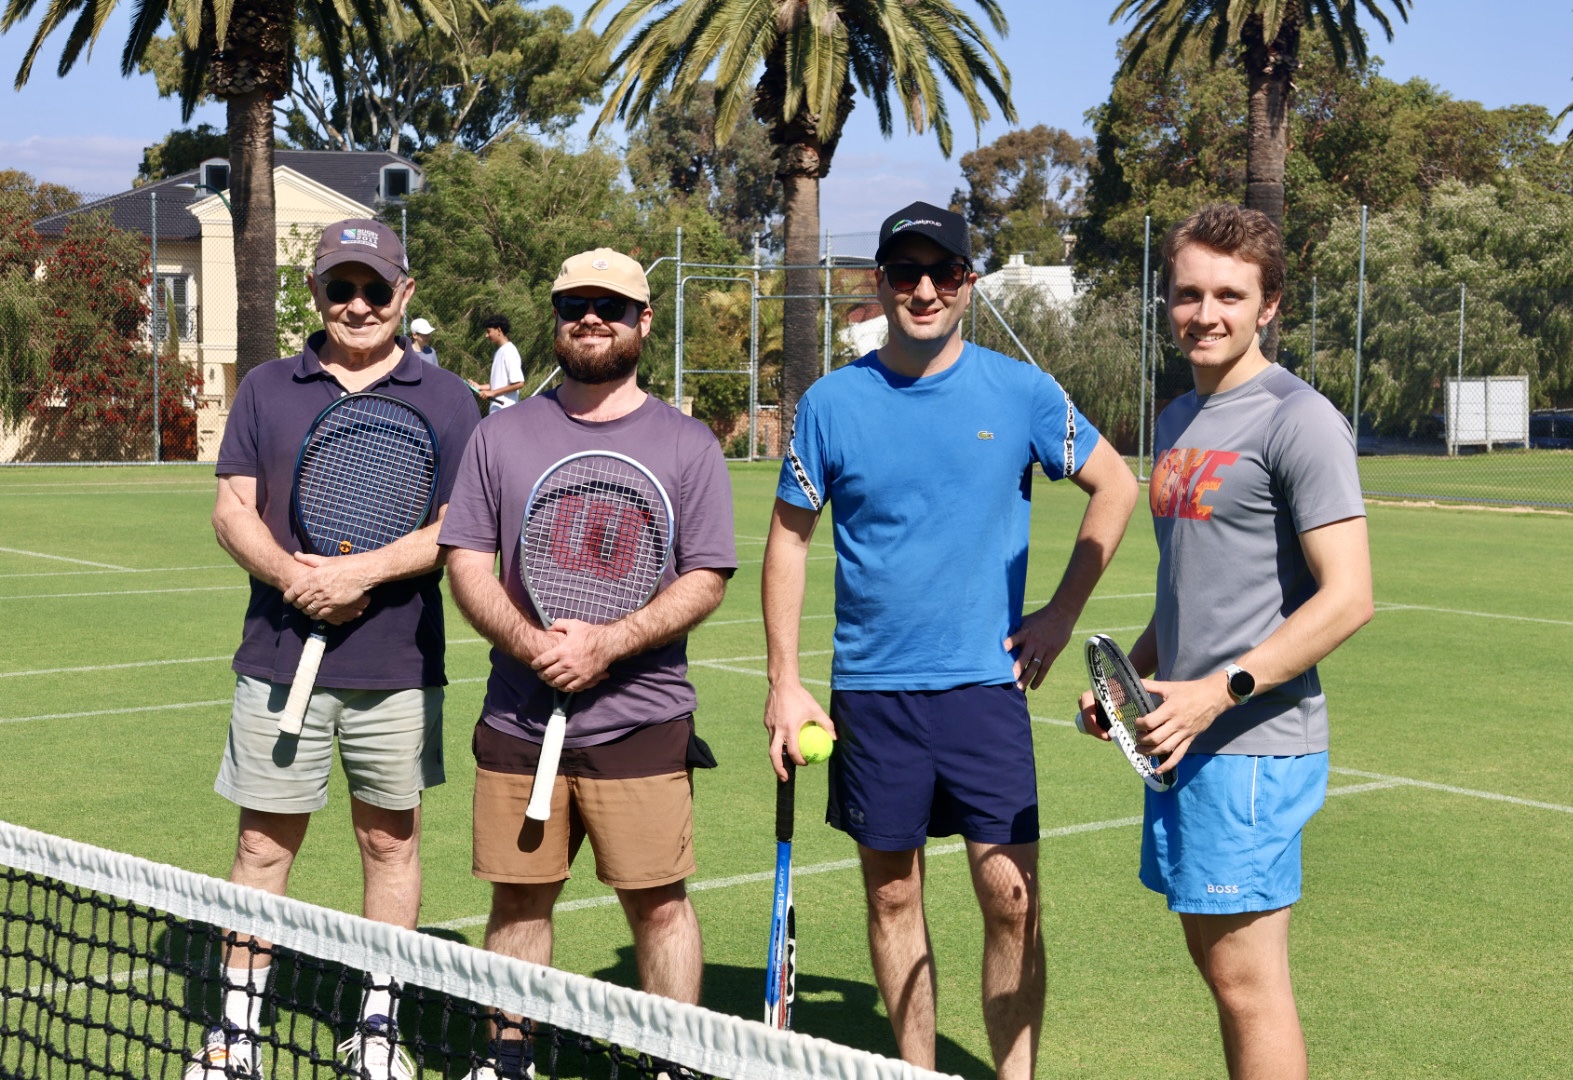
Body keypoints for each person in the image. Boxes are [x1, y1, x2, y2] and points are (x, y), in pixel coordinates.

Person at [761, 201, 1138, 1079]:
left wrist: (1059, 615)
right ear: (880, 283)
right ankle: (917, 1071)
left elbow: (1115, 487)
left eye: (943, 273)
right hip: (874, 692)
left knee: (1012, 900)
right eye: (904, 273)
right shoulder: (830, 404)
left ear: (969, 283)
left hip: (984, 694)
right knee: (893, 895)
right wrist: (785, 682)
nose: (923, 289)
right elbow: (788, 539)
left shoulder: (1021, 393)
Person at [1077, 204, 1373, 1080]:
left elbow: (1348, 598)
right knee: (1218, 968)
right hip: (1181, 738)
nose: (1205, 313)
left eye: (1229, 295)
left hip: (1251, 745)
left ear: (1269, 305)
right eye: (1188, 293)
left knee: (1248, 981)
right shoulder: (1176, 419)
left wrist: (1217, 693)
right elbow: (1190, 592)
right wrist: (1131, 678)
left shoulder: (1298, 418)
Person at [191, 217, 480, 1079]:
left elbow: (458, 528)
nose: (357, 305)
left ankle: (380, 1026)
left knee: (390, 844)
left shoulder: (450, 398)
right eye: (339, 288)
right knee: (261, 849)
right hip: (279, 659)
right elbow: (232, 510)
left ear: (405, 294)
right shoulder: (267, 389)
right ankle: (239, 1034)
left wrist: (364, 576)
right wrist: (294, 578)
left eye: (374, 288)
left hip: (395, 666)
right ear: (314, 293)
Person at [440, 247, 735, 1079]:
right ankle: (509, 1056)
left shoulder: (687, 444)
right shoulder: (502, 435)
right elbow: (466, 558)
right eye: (574, 305)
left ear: (643, 322)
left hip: (641, 719)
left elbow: (707, 575)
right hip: (518, 717)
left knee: (658, 903)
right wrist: (531, 645)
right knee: (519, 897)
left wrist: (609, 643)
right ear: (557, 319)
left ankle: (673, 1062)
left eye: (610, 304)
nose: (591, 318)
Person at [477, 314, 524, 411]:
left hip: (506, 412)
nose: (486, 335)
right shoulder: (499, 352)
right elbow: (499, 383)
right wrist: (480, 387)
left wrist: (493, 393)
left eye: (488, 331)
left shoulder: (509, 351)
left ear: (499, 330)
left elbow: (519, 383)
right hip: (496, 411)